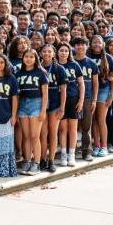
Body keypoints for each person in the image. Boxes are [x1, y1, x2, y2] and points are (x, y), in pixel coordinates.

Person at [16, 49, 48, 176]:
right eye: (26, 57)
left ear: (36, 59)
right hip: (23, 104)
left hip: (36, 104)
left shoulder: (41, 73)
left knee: (35, 136)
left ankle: (37, 163)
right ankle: (28, 161)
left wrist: (43, 111)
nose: (28, 59)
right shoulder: (18, 74)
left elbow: (45, 94)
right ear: (23, 58)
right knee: (26, 136)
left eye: (31, 57)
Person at [57, 42, 86, 166]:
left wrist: (81, 100)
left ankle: (71, 155)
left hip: (73, 99)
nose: (63, 53)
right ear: (57, 52)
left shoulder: (74, 65)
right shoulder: (54, 66)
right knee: (63, 129)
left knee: (73, 129)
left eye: (66, 51)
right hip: (59, 100)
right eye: (61, 50)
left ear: (69, 53)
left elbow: (81, 84)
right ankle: (63, 154)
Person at [39, 44, 67, 172]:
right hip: (42, 105)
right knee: (43, 134)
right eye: (44, 51)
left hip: (55, 104)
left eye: (49, 51)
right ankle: (42, 159)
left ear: (53, 53)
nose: (46, 54)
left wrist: (62, 107)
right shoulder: (37, 68)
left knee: (53, 133)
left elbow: (63, 90)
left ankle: (51, 160)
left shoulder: (59, 69)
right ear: (40, 53)